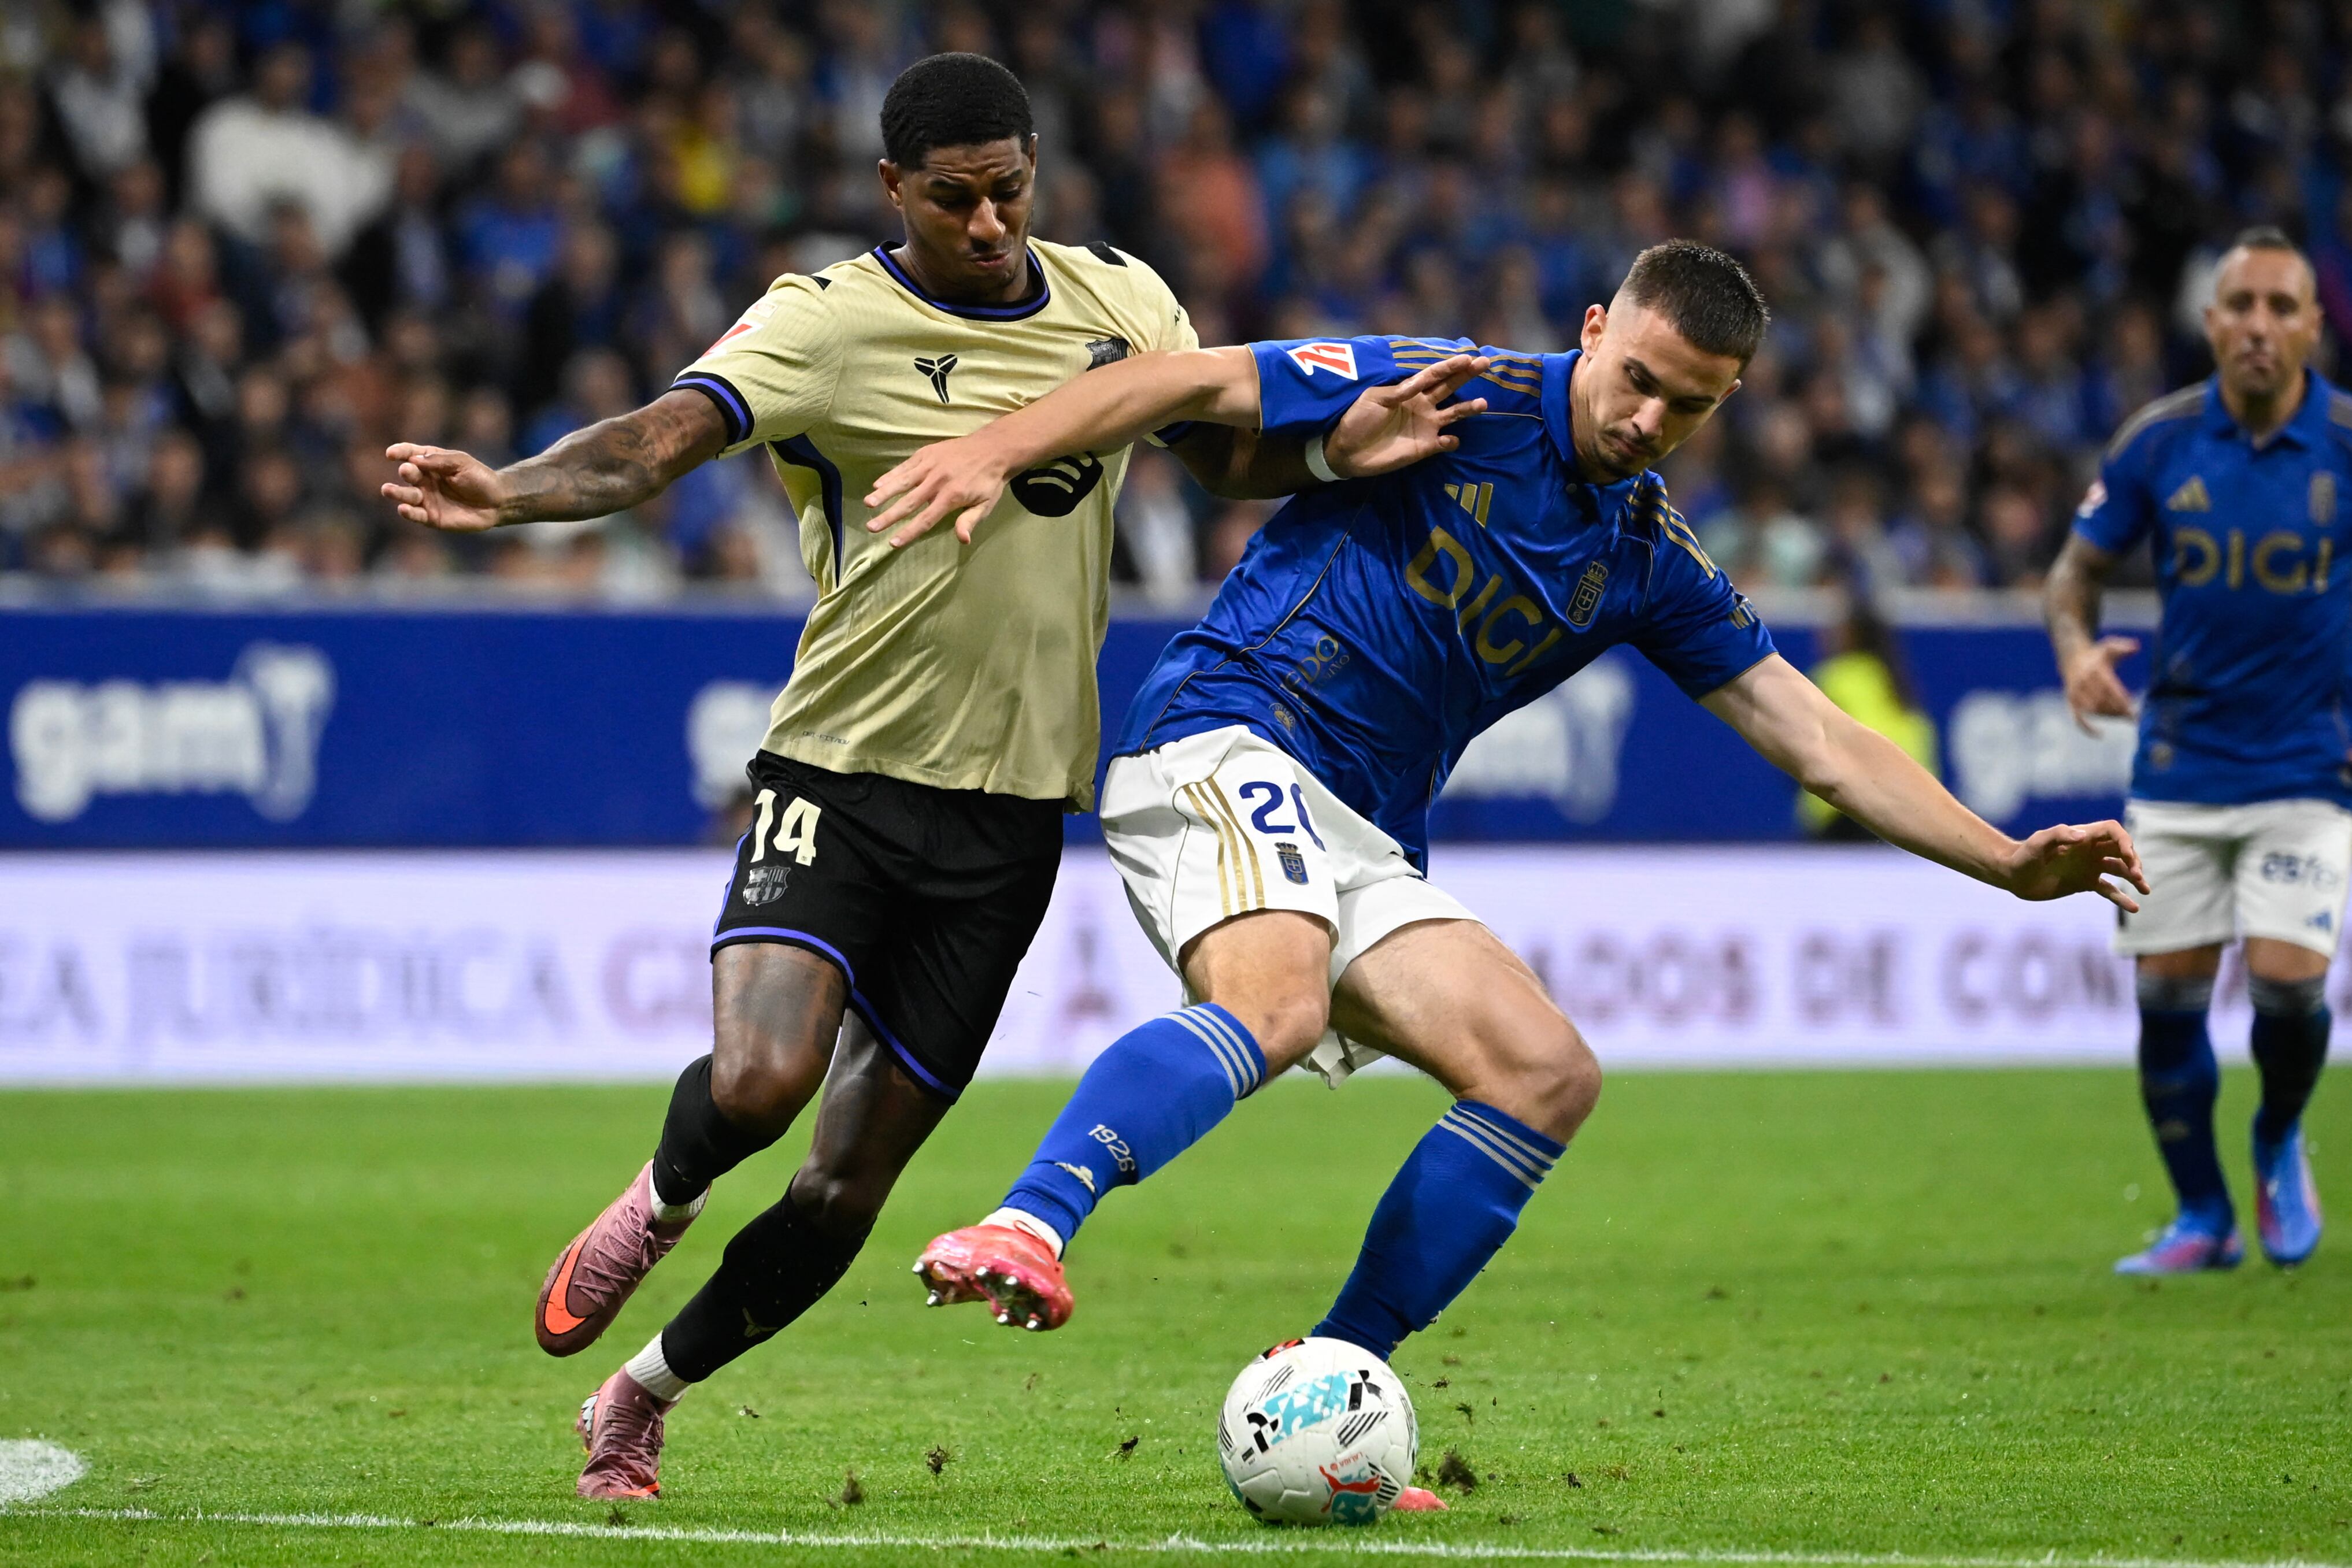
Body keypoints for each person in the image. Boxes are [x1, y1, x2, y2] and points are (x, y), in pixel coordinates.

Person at [377, 53, 1479, 1500]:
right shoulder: (824, 324)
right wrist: (511, 490)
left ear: (1034, 173)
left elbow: (1222, 456)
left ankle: (639, 1398)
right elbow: (656, 440)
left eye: (1007, 191)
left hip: (1013, 815)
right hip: (835, 773)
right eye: (952, 198)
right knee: (764, 1083)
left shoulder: (1123, 304)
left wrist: (1338, 448)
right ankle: (661, 1195)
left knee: (845, 1189)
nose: (985, 224)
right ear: (894, 190)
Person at [865, 242, 2147, 1401]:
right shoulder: (1449, 387)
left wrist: (2004, 859)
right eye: (1636, 377)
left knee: (1544, 1073)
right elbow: (1180, 383)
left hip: (1359, 830)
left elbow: (1815, 735)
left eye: (1689, 404)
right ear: (1592, 328)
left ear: (1727, 401)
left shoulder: (1645, 552)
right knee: (1279, 1000)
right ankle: (1028, 1221)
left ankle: (1330, 1381)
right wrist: (996, 449)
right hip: (1223, 732)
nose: (1650, 420)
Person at [2045, 227, 2349, 1274]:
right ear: (2210, 322)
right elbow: (2070, 575)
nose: (2258, 326)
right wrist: (2078, 650)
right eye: (2240, 306)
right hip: (2177, 768)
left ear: (2312, 324)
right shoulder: (2157, 441)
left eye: (2280, 306)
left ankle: (2275, 1135)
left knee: (2284, 985)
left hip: (2308, 770)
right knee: (2167, 996)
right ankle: (2200, 1214)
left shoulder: (2346, 445)